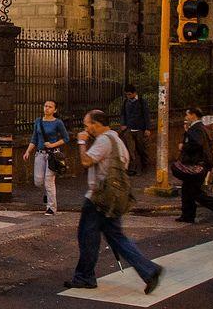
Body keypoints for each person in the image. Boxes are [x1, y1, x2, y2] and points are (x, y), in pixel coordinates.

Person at [65, 109, 162, 294]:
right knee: (117, 237)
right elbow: (124, 164)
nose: (86, 128)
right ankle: (148, 270)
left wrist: (81, 141)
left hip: (98, 198)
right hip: (114, 197)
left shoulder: (103, 141)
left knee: (87, 236)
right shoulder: (117, 140)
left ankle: (85, 277)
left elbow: (86, 161)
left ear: (97, 124)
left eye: (87, 125)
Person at [176, 107, 213, 224]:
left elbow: (196, 144)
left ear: (193, 115)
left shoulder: (196, 129)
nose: (186, 117)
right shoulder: (199, 128)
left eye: (187, 115)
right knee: (187, 190)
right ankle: (188, 215)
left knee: (194, 192)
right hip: (199, 164)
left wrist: (183, 146)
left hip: (197, 165)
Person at [23, 99, 70, 216]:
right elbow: (34, 138)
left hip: (52, 155)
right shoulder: (38, 121)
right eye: (45, 106)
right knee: (38, 181)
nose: (47, 108)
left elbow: (66, 138)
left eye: (50, 107)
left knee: (49, 181)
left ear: (55, 110)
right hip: (39, 154)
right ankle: (46, 193)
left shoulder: (58, 123)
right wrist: (28, 151)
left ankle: (51, 207)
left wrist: (53, 145)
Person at [119, 85, 150, 176]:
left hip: (140, 129)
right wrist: (123, 124)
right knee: (130, 149)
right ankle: (133, 168)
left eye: (129, 94)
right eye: (127, 95)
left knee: (141, 149)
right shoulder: (126, 102)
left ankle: (144, 166)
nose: (128, 96)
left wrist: (147, 128)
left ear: (134, 93)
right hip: (129, 129)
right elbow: (123, 114)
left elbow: (146, 115)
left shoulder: (141, 101)